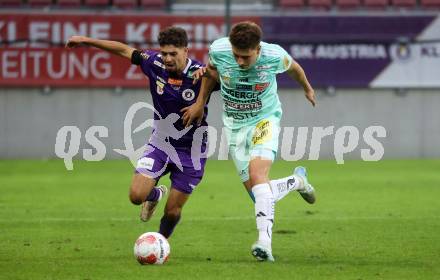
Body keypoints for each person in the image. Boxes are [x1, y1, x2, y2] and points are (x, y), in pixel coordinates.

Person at [182, 21, 317, 261]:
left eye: (246, 57)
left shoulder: (274, 56)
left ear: (258, 49)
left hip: (265, 120)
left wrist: (307, 88)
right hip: (234, 127)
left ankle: (264, 244)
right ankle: (297, 181)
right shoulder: (219, 50)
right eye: (236, 55)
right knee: (260, 195)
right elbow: (212, 72)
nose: (240, 62)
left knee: (258, 176)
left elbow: (294, 67)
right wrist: (200, 102)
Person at [66, 27, 215, 239]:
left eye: (173, 53)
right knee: (136, 196)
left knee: (172, 210)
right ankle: (155, 194)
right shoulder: (154, 63)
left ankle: (160, 242)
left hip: (191, 150)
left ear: (186, 51)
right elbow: (124, 50)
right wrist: (85, 40)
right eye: (164, 53)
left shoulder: (200, 72)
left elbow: (221, 74)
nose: (168, 58)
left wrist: (200, 103)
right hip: (161, 143)